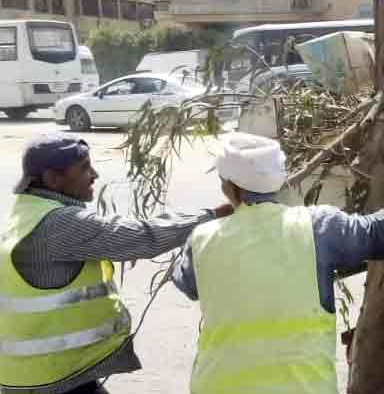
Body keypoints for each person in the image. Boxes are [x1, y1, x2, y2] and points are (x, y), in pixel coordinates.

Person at [171, 132, 384, 394]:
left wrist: (216, 217)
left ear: (228, 187)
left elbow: (188, 284)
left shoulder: (202, 238)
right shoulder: (317, 226)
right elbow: (375, 236)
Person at [0, 134, 231, 394]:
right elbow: (143, 236)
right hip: (51, 381)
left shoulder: (28, 212)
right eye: (84, 168)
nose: (94, 174)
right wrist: (213, 215)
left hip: (42, 376)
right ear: (54, 179)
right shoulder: (59, 224)